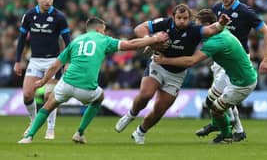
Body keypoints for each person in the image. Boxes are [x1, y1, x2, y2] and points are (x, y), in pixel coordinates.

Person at [17, 16, 169, 144]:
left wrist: (43, 81)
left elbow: (55, 65)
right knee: (100, 97)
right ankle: (80, 133)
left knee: (48, 105)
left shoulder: (75, 41)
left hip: (66, 83)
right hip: (86, 89)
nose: (105, 32)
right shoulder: (104, 40)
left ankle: (29, 136)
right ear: (97, 30)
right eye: (103, 29)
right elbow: (131, 44)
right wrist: (154, 39)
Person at [115, 4, 230, 144]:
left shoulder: (194, 30)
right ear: (173, 17)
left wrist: (221, 24)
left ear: (190, 18)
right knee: (146, 94)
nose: (182, 21)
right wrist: (150, 40)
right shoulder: (165, 23)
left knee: (160, 109)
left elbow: (211, 29)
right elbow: (139, 28)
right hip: (158, 64)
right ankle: (131, 114)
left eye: (185, 18)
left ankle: (140, 132)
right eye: (179, 18)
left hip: (177, 74)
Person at [154, 9, 258, 143]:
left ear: (208, 25)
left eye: (198, 25)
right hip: (230, 75)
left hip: (243, 82)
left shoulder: (216, 41)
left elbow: (191, 61)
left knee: (216, 109)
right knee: (209, 101)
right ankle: (218, 124)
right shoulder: (220, 33)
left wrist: (164, 60)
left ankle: (226, 135)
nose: (196, 28)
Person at [195, 0, 267, 142]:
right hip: (220, 58)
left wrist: (266, 58)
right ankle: (235, 130)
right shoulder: (216, 9)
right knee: (216, 99)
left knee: (221, 99)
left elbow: (266, 32)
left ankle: (224, 128)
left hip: (237, 59)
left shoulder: (245, 12)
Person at [14, 0, 71, 140]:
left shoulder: (59, 17)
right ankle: (33, 122)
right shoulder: (29, 15)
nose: (47, 1)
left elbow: (67, 42)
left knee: (49, 96)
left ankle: (50, 129)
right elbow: (21, 39)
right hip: (35, 60)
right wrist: (17, 61)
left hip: (53, 61)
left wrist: (67, 61)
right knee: (27, 95)